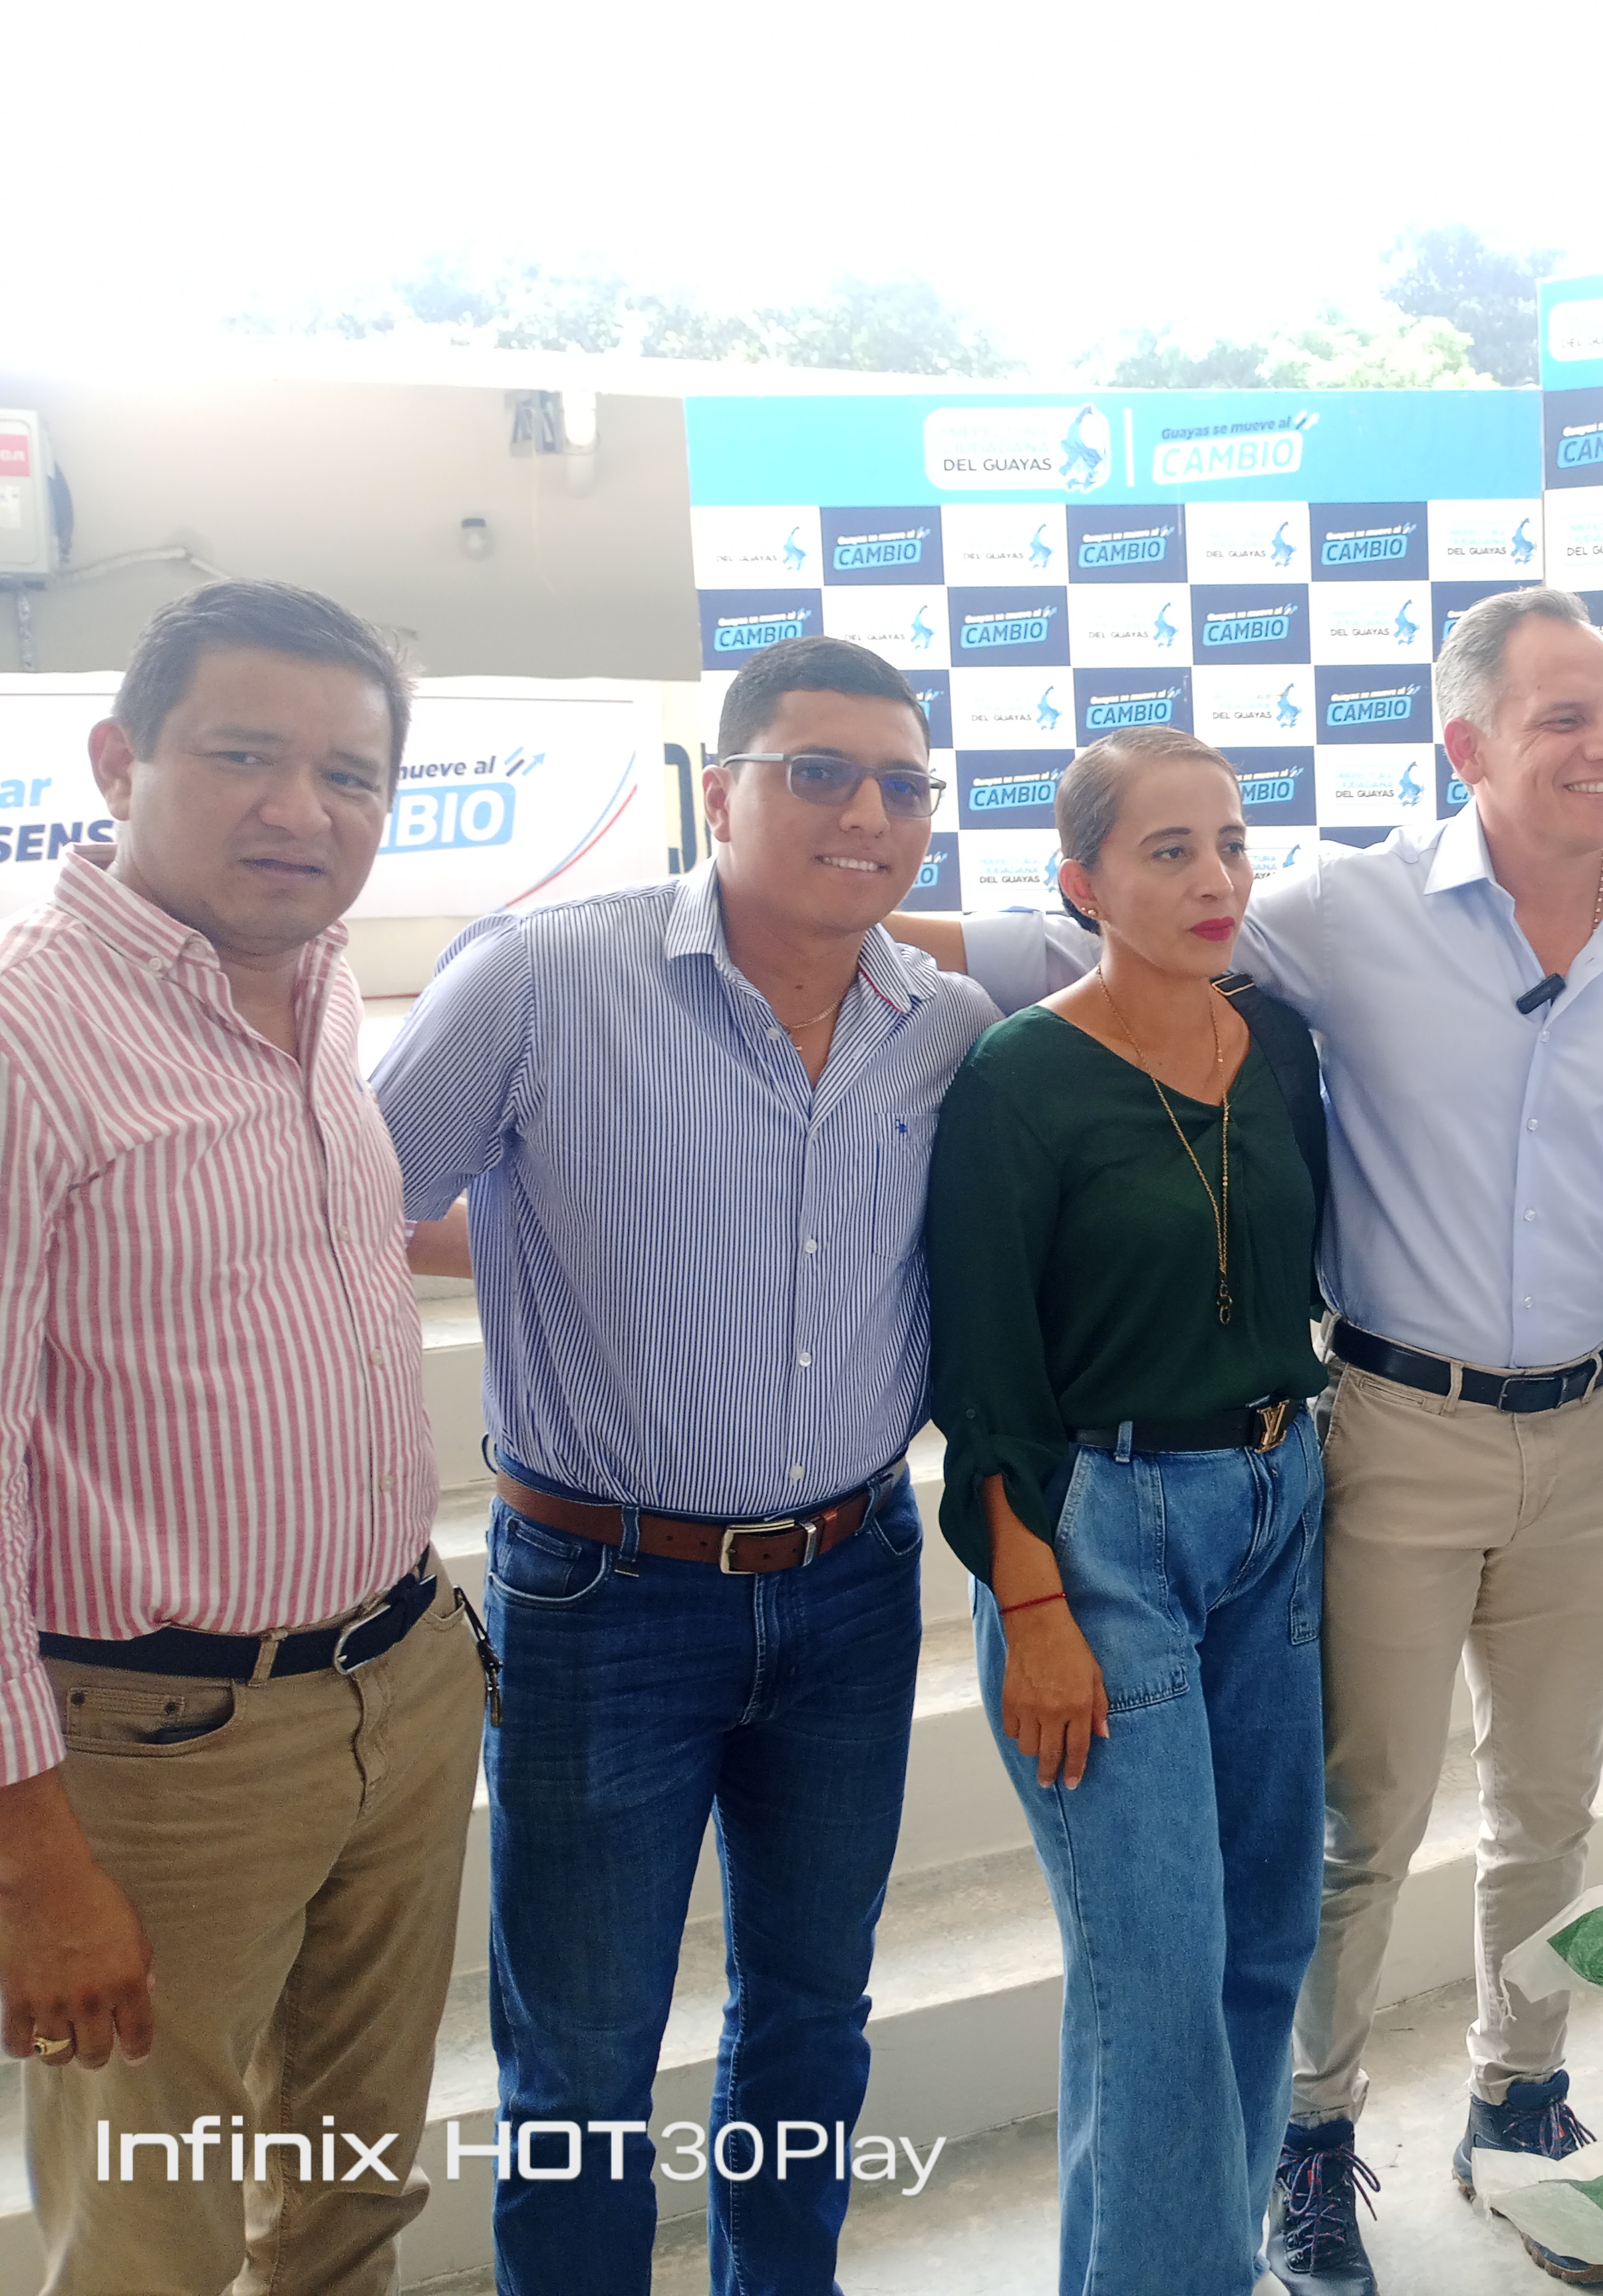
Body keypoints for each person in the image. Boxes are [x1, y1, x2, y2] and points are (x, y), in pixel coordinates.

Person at [952, 583, 1603, 2294]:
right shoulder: (1344, 913)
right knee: (1358, 1824)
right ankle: (1310, 2143)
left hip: (1592, 1425)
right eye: (1564, 716)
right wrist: (824, 922)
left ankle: (1518, 2099)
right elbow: (1087, 953)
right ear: (1467, 744)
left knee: (1550, 1803)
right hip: (1392, 1424)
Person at [372, 637, 996, 2295]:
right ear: (721, 792)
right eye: (819, 773)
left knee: (812, 2012)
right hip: (606, 1597)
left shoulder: (944, 1026)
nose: (867, 814)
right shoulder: (540, 978)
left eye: (904, 785)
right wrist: (541, 1238)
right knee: (581, 2051)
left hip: (854, 1579)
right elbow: (358, 1199)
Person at [0, 581, 484, 2295]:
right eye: (243, 755)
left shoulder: (319, 991)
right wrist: (33, 1862)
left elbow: (316, 1254)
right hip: (160, 1755)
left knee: (354, 2185)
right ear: (118, 761)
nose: (301, 810)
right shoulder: (29, 1042)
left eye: (350, 776)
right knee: (152, 2234)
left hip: (400, 1686)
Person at [925, 727, 1330, 2296]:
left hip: (1278, 1504)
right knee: (1155, 1974)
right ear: (1081, 884)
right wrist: (1034, 1611)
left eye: (1230, 843)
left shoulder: (1276, 1040)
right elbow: (986, 1382)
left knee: (1263, 1944)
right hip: (1102, 1532)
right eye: (1170, 851)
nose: (1217, 878)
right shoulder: (1017, 1080)